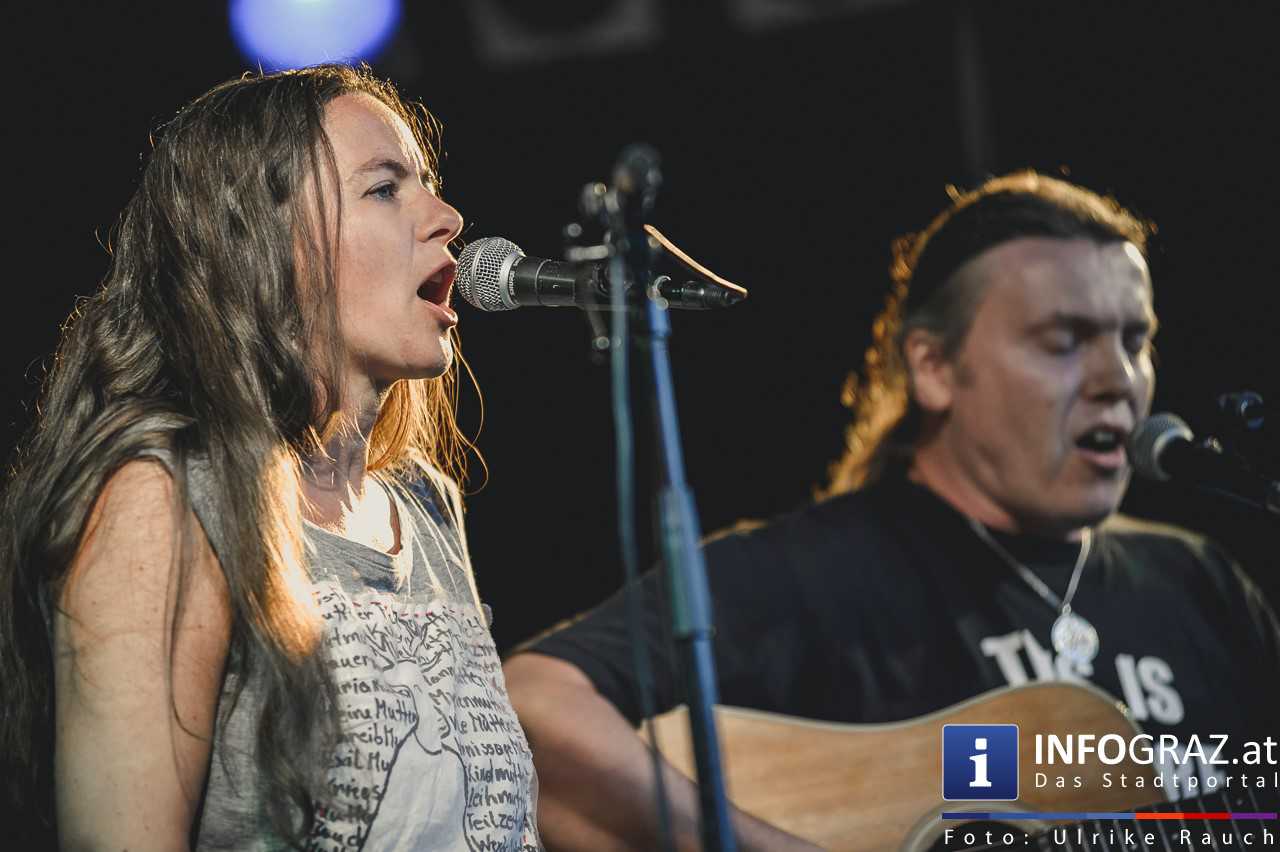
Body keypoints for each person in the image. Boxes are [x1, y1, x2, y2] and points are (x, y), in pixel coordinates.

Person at [503, 171, 1280, 850]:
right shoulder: (815, 574)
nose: (1118, 380)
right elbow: (533, 702)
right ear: (933, 367)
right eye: (1063, 341)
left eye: (1134, 340)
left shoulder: (1200, 585)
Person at [0, 64, 541, 851]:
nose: (448, 217)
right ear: (259, 244)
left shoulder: (425, 505)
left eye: (427, 185)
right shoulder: (168, 497)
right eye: (383, 188)